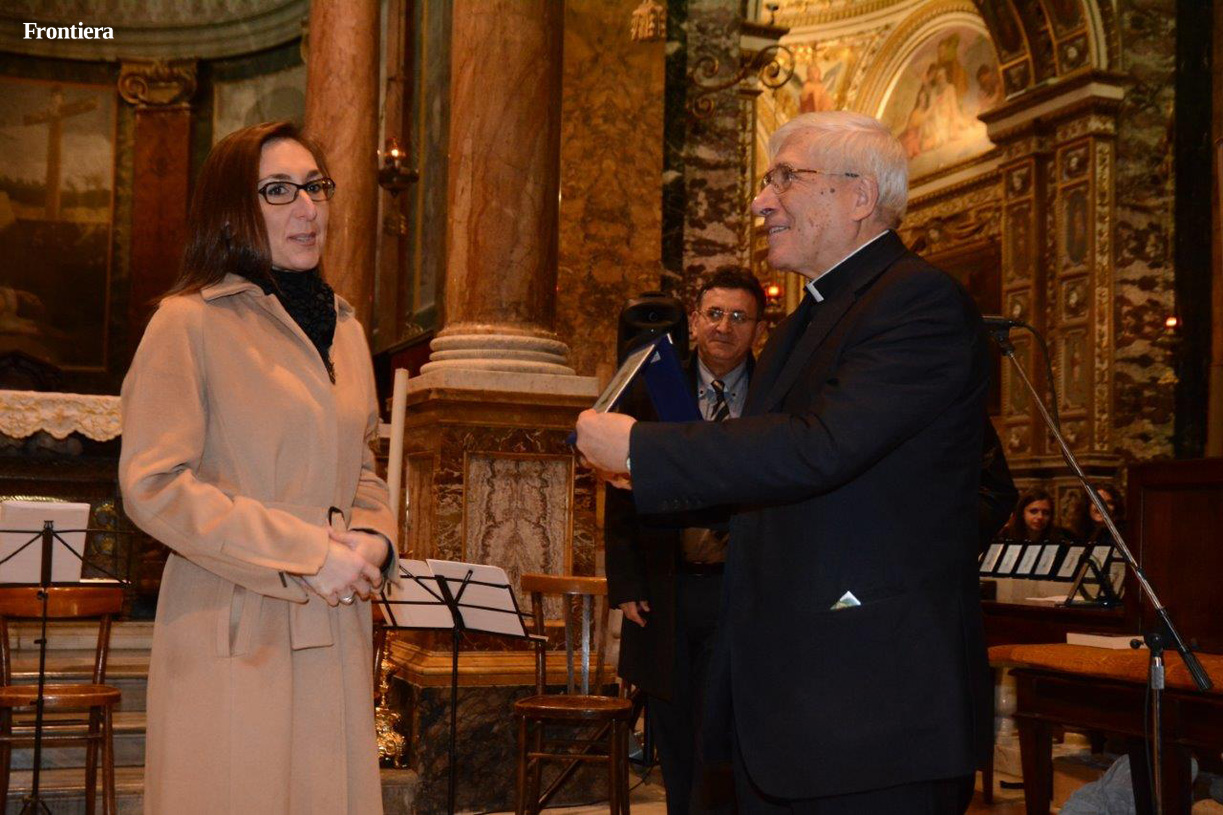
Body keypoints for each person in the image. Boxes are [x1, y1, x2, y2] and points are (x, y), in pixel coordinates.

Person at [576, 110, 991, 814]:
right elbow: (772, 474)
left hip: (869, 704)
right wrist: (640, 475)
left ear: (859, 196)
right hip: (795, 703)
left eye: (785, 178)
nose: (760, 201)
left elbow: (820, 446)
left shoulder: (915, 301)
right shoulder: (812, 316)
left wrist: (645, 448)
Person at [119, 121, 397, 815]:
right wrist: (306, 553)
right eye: (278, 191)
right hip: (235, 621)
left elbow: (360, 464)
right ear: (231, 210)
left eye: (315, 187)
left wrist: (373, 538)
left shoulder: (346, 328)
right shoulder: (187, 322)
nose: (307, 208)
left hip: (334, 617)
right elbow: (153, 486)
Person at [607, 268, 766, 815]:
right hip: (665, 589)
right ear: (694, 321)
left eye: (740, 317)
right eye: (714, 314)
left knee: (728, 731)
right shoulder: (652, 385)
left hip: (743, 590)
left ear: (757, 330)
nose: (725, 327)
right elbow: (617, 489)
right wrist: (626, 582)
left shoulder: (776, 392)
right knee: (674, 733)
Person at [1000, 488, 1070, 544]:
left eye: (1046, 513)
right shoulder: (1005, 537)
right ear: (1022, 513)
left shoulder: (1061, 538)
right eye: (1034, 511)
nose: (1040, 517)